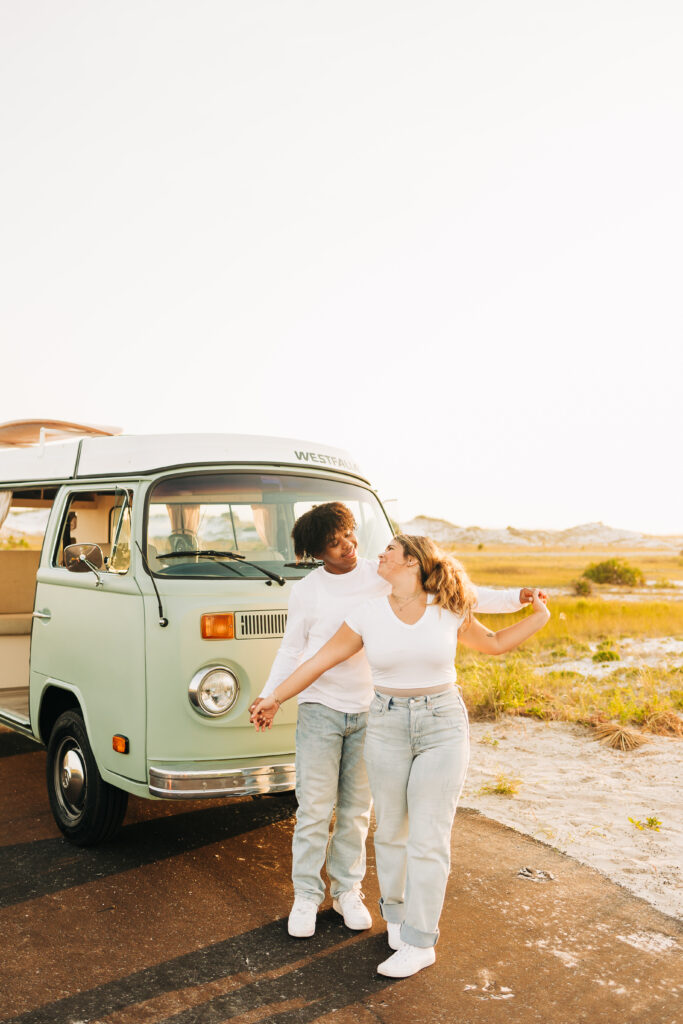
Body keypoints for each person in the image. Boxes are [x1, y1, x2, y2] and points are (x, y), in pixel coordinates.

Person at [251, 534, 550, 977]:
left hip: (442, 725)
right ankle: (396, 916)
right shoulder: (367, 613)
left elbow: (496, 643)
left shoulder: (448, 606)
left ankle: (419, 940)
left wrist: (539, 615)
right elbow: (317, 661)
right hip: (386, 723)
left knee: (429, 837)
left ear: (411, 561)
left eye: (389, 550)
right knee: (390, 830)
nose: (379, 555)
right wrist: (274, 697)